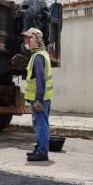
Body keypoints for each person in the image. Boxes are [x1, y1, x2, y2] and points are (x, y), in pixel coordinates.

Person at [23, 28, 53, 162]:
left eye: (28, 38)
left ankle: (42, 153)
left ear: (36, 40)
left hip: (40, 99)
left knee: (41, 125)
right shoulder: (40, 54)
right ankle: (40, 148)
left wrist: (38, 100)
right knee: (39, 124)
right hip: (41, 98)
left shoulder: (38, 57)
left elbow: (40, 79)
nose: (26, 41)